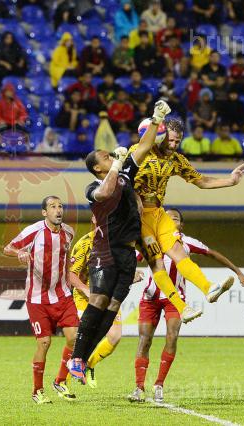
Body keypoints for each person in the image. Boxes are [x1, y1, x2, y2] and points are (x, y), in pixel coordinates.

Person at [66, 100, 172, 384]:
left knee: (112, 308)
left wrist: (156, 118)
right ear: (97, 167)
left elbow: (144, 146)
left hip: (126, 252)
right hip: (105, 251)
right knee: (98, 300)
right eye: (105, 157)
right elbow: (105, 193)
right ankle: (76, 357)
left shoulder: (125, 173)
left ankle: (84, 358)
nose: (111, 155)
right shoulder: (93, 187)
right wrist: (116, 166)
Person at [127, 116, 244, 324]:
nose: (174, 145)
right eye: (171, 140)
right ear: (161, 135)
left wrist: (231, 181)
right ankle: (182, 308)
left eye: (178, 141)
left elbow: (201, 181)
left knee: (179, 251)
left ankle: (208, 289)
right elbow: (122, 179)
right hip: (138, 217)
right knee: (157, 263)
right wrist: (134, 198)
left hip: (159, 214)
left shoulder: (176, 160)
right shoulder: (139, 152)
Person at [129, 207, 244, 402]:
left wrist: (237, 271)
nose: (169, 220)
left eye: (174, 218)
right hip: (151, 297)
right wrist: (130, 273)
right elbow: (132, 259)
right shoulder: (150, 240)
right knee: (144, 339)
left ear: (181, 225)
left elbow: (213, 254)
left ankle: (159, 384)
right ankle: (139, 387)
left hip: (176, 300)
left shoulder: (187, 242)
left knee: (172, 337)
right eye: (166, 217)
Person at [3, 196, 78, 403]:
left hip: (62, 294)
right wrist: (19, 253)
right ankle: (37, 391)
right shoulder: (34, 231)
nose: (58, 210)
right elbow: (7, 248)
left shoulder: (69, 232)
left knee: (74, 338)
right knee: (44, 343)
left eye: (60, 206)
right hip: (37, 298)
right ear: (45, 212)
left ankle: (60, 380)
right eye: (53, 207)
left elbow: (66, 258)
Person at [68, 215, 144, 388]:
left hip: (108, 296)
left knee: (115, 336)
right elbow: (71, 274)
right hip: (86, 298)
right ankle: (63, 380)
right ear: (94, 219)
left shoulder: (117, 244)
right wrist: (85, 290)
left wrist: (130, 277)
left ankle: (88, 365)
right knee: (83, 336)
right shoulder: (85, 243)